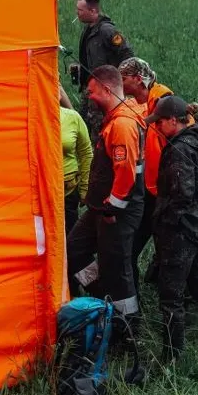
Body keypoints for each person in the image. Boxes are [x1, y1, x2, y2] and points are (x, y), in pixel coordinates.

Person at [146, 96, 198, 360]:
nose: (156, 127)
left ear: (172, 120)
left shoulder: (179, 149)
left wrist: (166, 221)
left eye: (159, 122)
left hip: (180, 232)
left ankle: (171, 356)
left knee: (171, 296)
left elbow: (180, 193)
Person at [66, 65, 146, 322]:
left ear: (107, 89)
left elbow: (125, 173)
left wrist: (112, 209)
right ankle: (102, 298)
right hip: (100, 208)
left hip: (116, 213)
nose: (88, 96)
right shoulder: (115, 118)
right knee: (75, 250)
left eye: (91, 91)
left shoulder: (122, 124)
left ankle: (127, 328)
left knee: (117, 269)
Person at [118, 57, 175, 287]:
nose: (120, 83)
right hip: (150, 190)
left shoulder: (163, 100)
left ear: (138, 79)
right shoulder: (148, 103)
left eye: (123, 78)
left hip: (164, 191)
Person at [71, 0, 135, 143]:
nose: (77, 13)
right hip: (91, 86)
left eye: (80, 10)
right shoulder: (88, 30)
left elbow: (127, 54)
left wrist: (117, 79)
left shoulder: (107, 31)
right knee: (83, 123)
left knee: (98, 127)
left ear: (93, 11)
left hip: (104, 89)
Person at [61, 90, 93, 235]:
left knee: (70, 238)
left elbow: (86, 153)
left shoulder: (72, 118)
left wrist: (85, 188)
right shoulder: (32, 119)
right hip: (41, 191)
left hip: (68, 190)